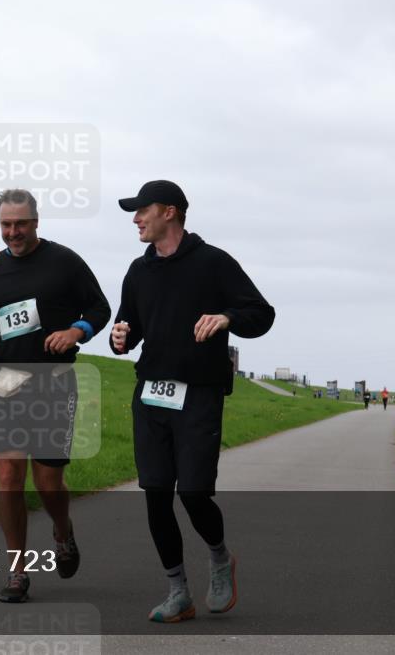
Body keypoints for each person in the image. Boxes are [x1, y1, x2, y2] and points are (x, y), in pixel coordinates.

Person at [109, 180, 275, 623]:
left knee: (195, 492)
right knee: (156, 495)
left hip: (199, 394)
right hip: (151, 395)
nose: (135, 218)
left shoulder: (213, 263)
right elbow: (129, 326)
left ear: (169, 212)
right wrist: (119, 336)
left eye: (142, 210)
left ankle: (220, 558)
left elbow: (262, 313)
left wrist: (227, 317)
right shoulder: (138, 271)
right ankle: (178, 591)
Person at [0, 189, 111, 603]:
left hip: (51, 382)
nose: (13, 232)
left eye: (20, 224)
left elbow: (99, 308)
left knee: (48, 481)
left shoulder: (64, 261)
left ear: (36, 221)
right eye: (5, 225)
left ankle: (62, 532)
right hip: (4, 383)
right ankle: (17, 571)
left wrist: (75, 332)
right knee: (9, 478)